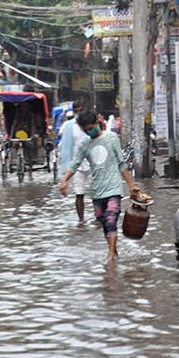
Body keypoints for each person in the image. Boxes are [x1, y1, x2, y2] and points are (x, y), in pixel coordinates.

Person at [60, 111, 140, 263]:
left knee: (111, 219)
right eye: (86, 130)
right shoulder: (84, 144)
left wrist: (131, 185)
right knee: (104, 221)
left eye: (91, 127)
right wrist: (64, 180)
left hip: (114, 187)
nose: (89, 131)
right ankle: (114, 251)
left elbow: (121, 164)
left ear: (97, 123)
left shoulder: (111, 138)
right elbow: (75, 163)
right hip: (97, 190)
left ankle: (110, 257)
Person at [58, 100, 89, 225]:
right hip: (77, 164)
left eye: (80, 111)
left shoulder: (90, 123)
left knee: (99, 193)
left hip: (93, 162)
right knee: (79, 193)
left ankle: (100, 217)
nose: (78, 113)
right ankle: (81, 220)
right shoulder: (68, 126)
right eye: (76, 111)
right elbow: (64, 144)